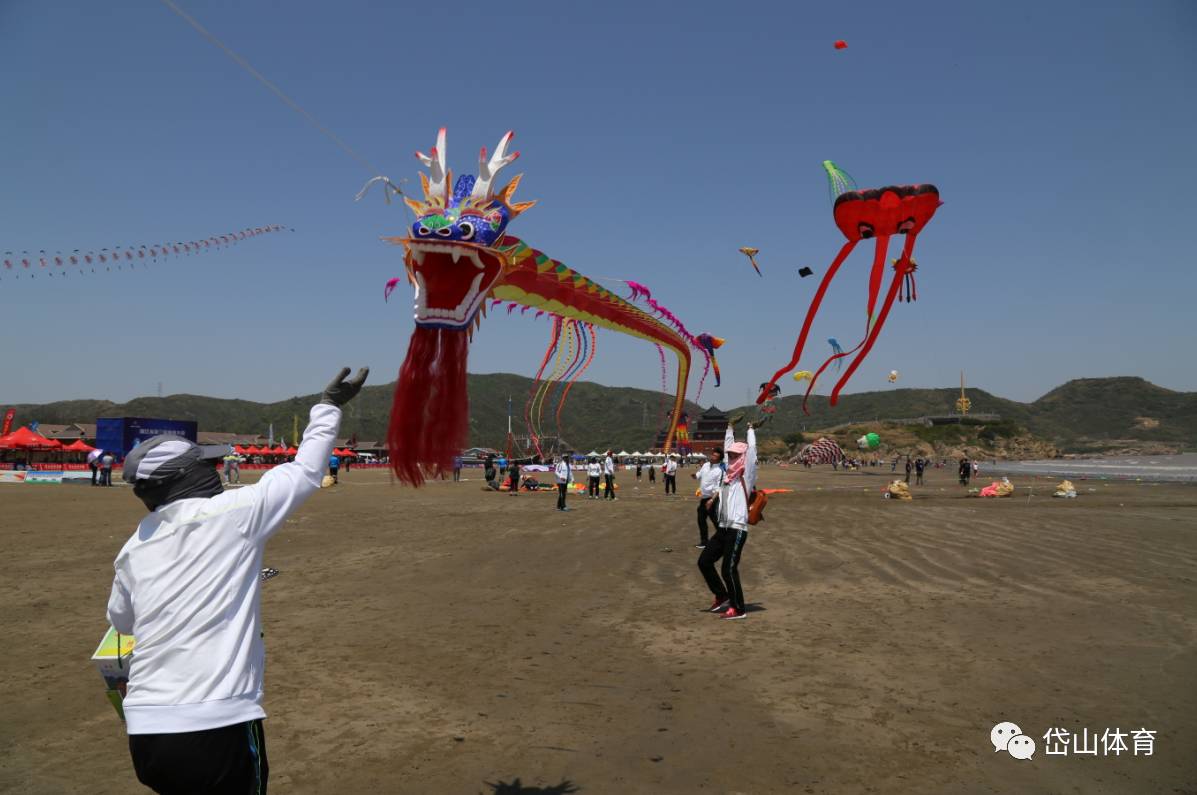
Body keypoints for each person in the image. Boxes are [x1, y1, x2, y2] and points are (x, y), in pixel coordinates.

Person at [107, 366, 368, 795]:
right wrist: (327, 407)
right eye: (207, 465)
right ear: (188, 476)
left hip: (146, 733)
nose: (216, 471)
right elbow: (305, 471)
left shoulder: (134, 547)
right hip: (215, 724)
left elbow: (121, 621)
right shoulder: (235, 514)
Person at [697, 421, 757, 621]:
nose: (731, 458)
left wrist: (750, 430)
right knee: (704, 561)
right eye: (729, 455)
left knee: (728, 568)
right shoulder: (728, 477)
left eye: (735, 455)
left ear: (743, 457)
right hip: (723, 529)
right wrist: (729, 429)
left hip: (737, 529)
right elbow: (727, 447)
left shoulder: (746, 476)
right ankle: (722, 595)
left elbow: (752, 453)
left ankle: (738, 608)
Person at [692, 448, 724, 548]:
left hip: (712, 499)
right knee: (701, 519)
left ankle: (723, 539)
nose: (712, 457)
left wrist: (712, 500)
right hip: (704, 498)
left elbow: (718, 488)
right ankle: (704, 542)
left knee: (715, 520)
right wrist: (695, 476)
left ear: (719, 459)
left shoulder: (719, 471)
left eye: (715, 456)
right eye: (712, 455)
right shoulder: (705, 465)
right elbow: (699, 474)